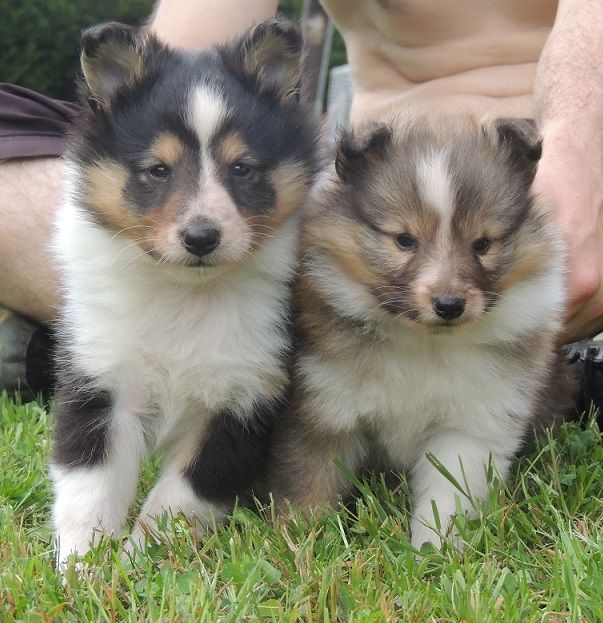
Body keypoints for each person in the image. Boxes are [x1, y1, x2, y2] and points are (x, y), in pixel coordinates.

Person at [0, 0, 602, 402]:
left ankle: (102, 345)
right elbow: (179, 84)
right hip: (364, 214)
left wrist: (574, 160)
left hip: (553, 182)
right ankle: (188, 344)